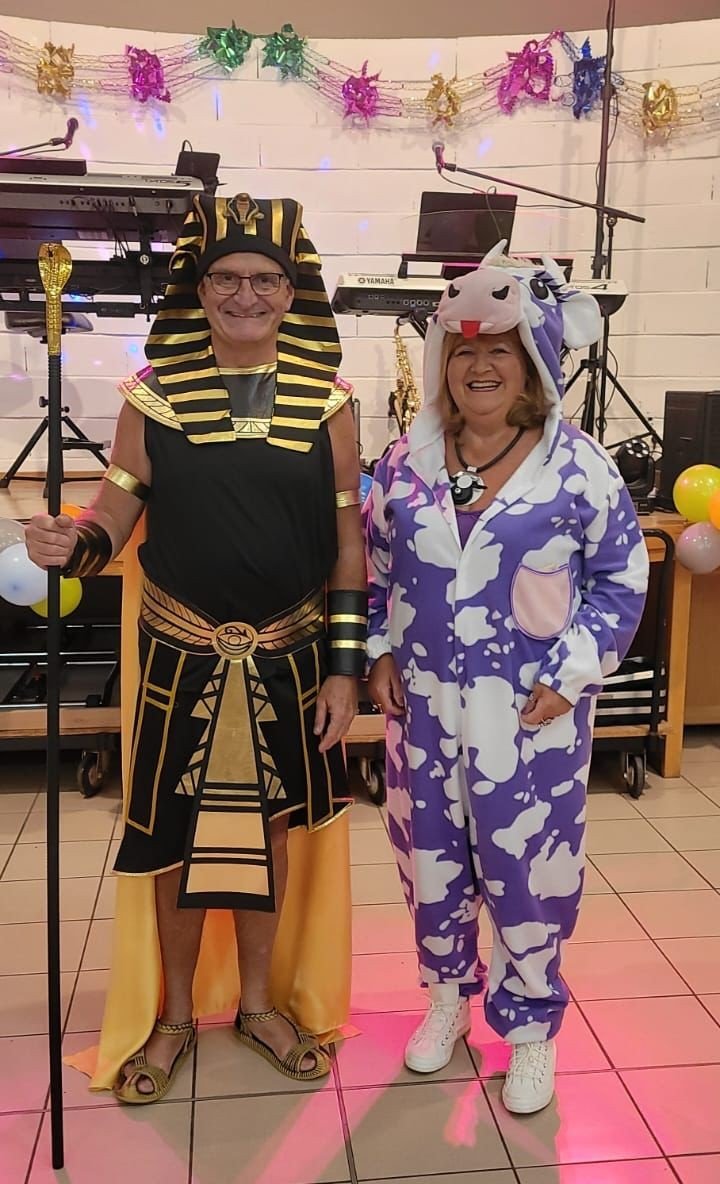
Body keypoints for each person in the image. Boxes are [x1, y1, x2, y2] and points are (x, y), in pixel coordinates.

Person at [26, 192, 367, 1101]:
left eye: (264, 280)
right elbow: (113, 517)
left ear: (292, 294)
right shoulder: (154, 397)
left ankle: (258, 1005)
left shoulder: (331, 404)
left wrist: (344, 670)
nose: (245, 295)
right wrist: (70, 543)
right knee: (170, 833)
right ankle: (174, 1016)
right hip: (179, 657)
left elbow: (347, 547)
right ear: (199, 289)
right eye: (226, 278)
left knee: (274, 827)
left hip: (293, 655)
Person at [364, 252, 649, 1115]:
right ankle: (448, 998)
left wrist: (572, 675)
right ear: (442, 362)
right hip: (424, 711)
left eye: (500, 350)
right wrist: (379, 651)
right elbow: (376, 569)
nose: (480, 366)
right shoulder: (406, 461)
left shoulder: (579, 466)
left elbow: (621, 582)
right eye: (463, 351)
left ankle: (529, 1032)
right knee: (431, 862)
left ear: (533, 364)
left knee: (528, 871)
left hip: (530, 716)